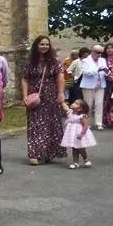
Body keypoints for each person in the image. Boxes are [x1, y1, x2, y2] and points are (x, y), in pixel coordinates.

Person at [21, 36, 67, 166]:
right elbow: (25, 78)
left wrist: (61, 93)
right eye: (42, 44)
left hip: (51, 96)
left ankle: (47, 153)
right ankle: (35, 153)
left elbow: (60, 77)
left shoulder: (54, 61)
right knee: (36, 125)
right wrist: (24, 95)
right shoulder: (30, 62)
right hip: (35, 97)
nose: (45, 46)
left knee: (50, 124)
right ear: (36, 45)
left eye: (47, 44)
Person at [79, 45, 108, 130]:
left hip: (100, 84)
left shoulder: (103, 60)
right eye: (98, 52)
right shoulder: (85, 60)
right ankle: (87, 123)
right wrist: (97, 70)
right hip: (88, 85)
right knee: (88, 104)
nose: (99, 54)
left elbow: (106, 71)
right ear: (92, 52)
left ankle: (99, 123)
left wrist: (106, 71)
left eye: (101, 53)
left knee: (99, 104)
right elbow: (85, 72)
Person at [61, 99, 96, 169]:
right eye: (74, 102)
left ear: (80, 108)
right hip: (72, 134)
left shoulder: (82, 116)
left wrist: (81, 133)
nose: (73, 103)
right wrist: (61, 101)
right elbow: (65, 106)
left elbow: (85, 126)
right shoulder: (70, 112)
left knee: (81, 148)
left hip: (79, 133)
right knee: (74, 148)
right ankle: (75, 162)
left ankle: (85, 159)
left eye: (76, 103)